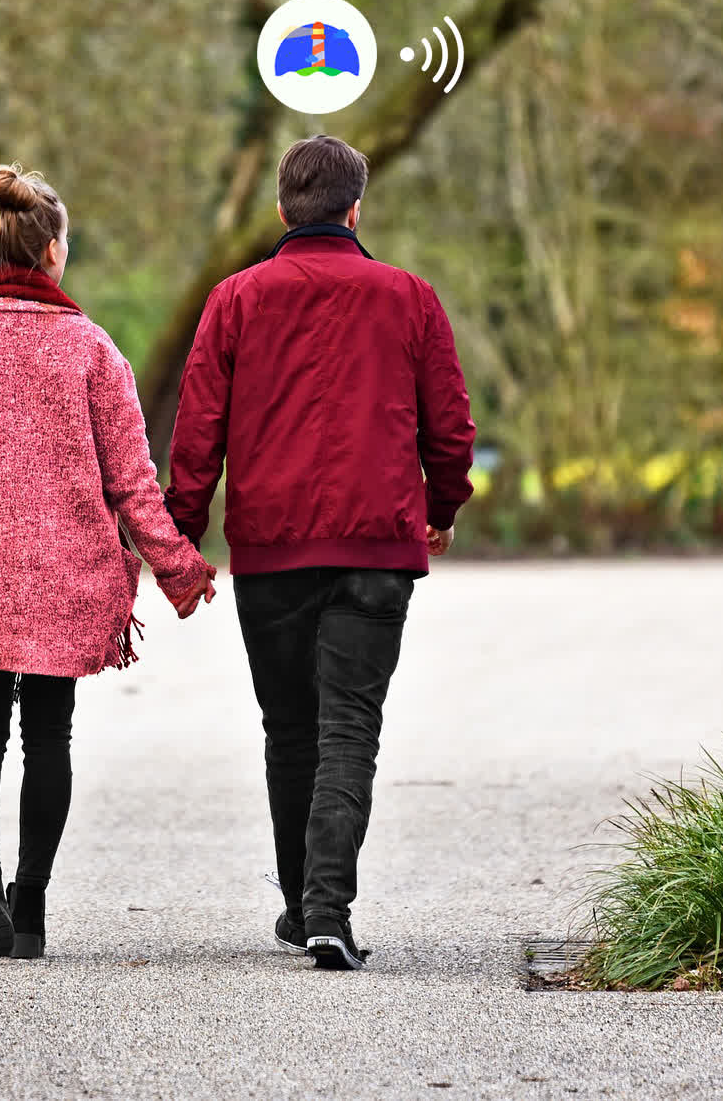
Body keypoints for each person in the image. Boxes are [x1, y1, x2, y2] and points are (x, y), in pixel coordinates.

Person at [0, 164, 217, 961]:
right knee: (49, 737)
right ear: (53, 252)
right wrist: (179, 569)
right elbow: (132, 483)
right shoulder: (93, 350)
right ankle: (29, 908)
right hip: (66, 574)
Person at [164, 134, 476, 970]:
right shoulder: (408, 297)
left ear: (281, 210)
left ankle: (306, 906)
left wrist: (181, 539)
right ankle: (327, 908)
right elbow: (450, 426)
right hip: (377, 547)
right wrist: (442, 507)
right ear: (355, 208)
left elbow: (197, 433)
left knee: (290, 728)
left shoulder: (234, 300)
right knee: (349, 729)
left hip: (271, 551)